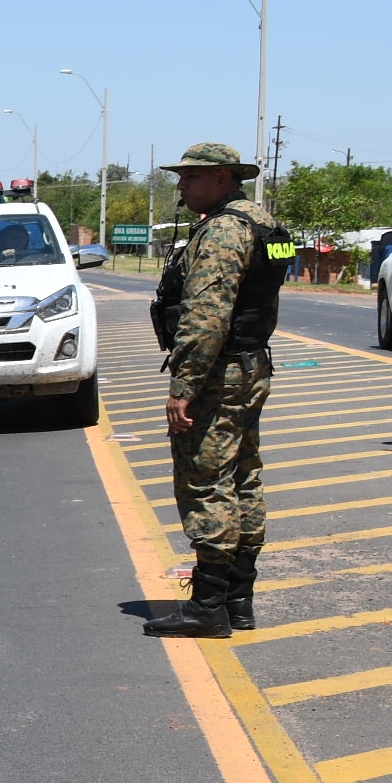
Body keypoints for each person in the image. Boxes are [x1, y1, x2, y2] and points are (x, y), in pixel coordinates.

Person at [144, 143, 295, 638]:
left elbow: (206, 317)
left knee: (206, 480)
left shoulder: (225, 230)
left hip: (219, 374)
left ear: (224, 178)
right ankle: (238, 599)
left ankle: (208, 605)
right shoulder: (263, 223)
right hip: (251, 366)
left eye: (192, 177)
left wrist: (183, 386)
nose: (181, 186)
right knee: (243, 477)